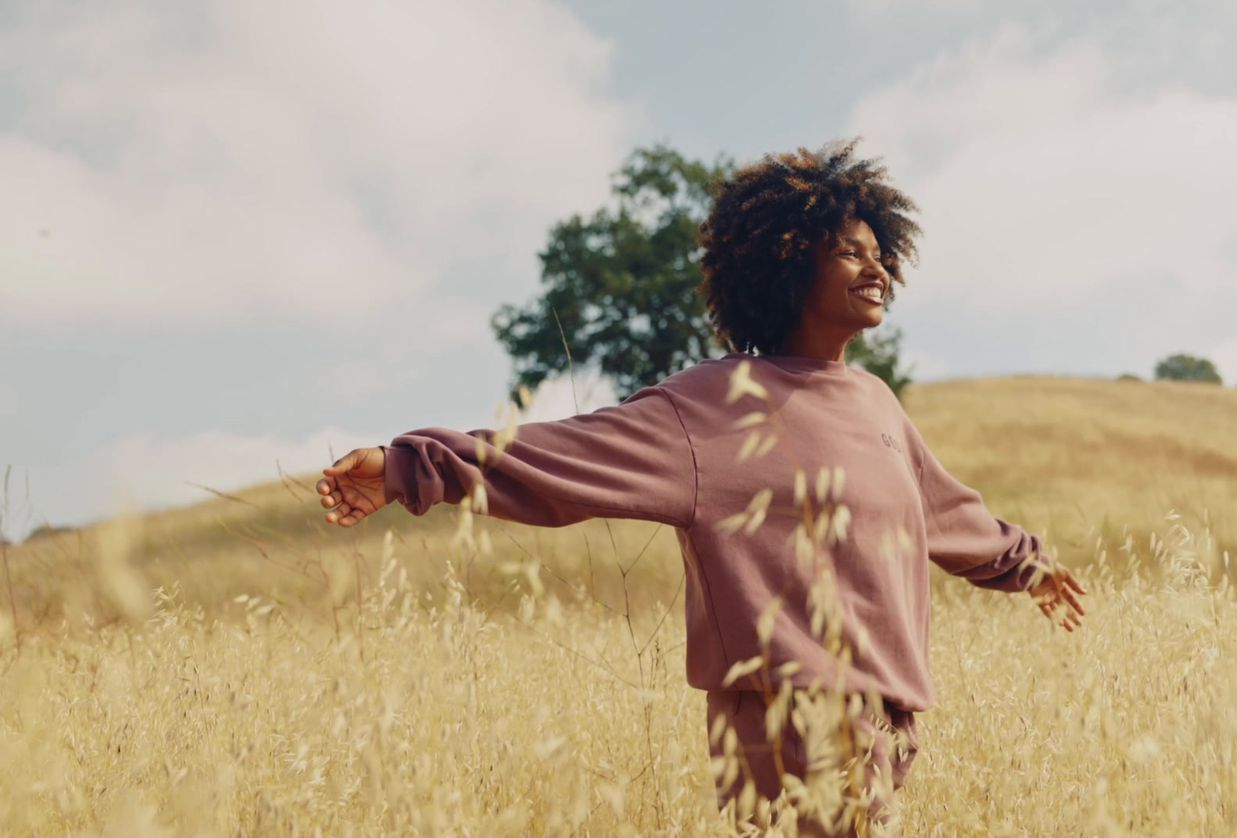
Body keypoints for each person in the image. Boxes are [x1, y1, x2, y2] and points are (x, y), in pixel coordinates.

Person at [315, 139, 1087, 835]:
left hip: (886, 720)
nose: (876, 268)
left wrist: (1030, 567)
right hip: (789, 721)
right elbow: (562, 459)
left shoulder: (876, 402)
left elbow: (942, 516)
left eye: (881, 253)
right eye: (850, 252)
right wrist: (409, 467)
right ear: (787, 263)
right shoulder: (714, 406)